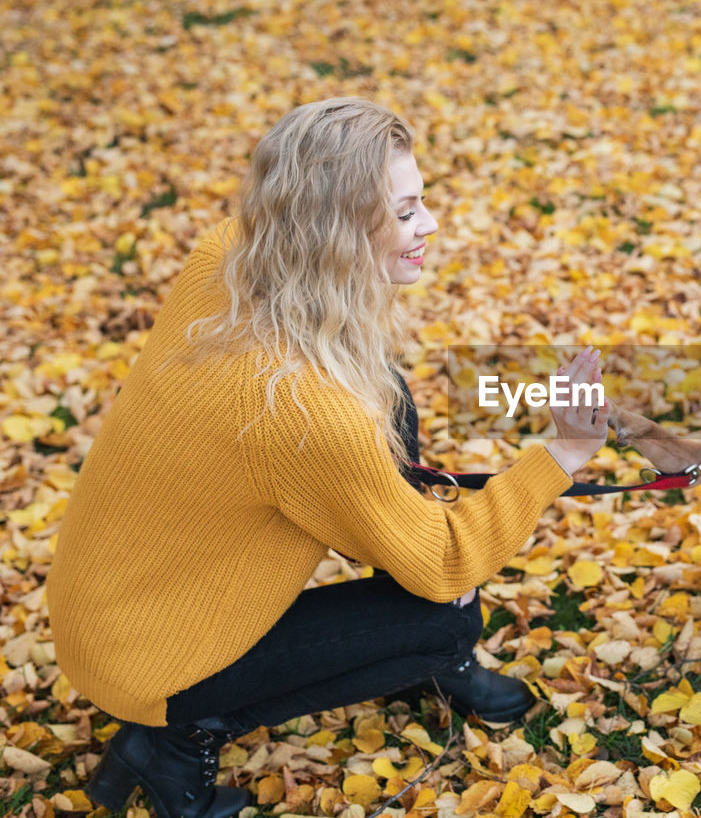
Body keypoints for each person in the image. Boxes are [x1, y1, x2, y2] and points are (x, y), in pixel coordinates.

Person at [46, 97, 611, 818]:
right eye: (407, 213)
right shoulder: (304, 411)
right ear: (340, 236)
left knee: (390, 395)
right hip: (149, 655)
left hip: (102, 602)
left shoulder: (225, 254)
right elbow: (445, 564)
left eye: (422, 203)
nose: (430, 225)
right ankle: (174, 742)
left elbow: (345, 414)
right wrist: (561, 452)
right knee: (445, 618)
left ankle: (201, 711)